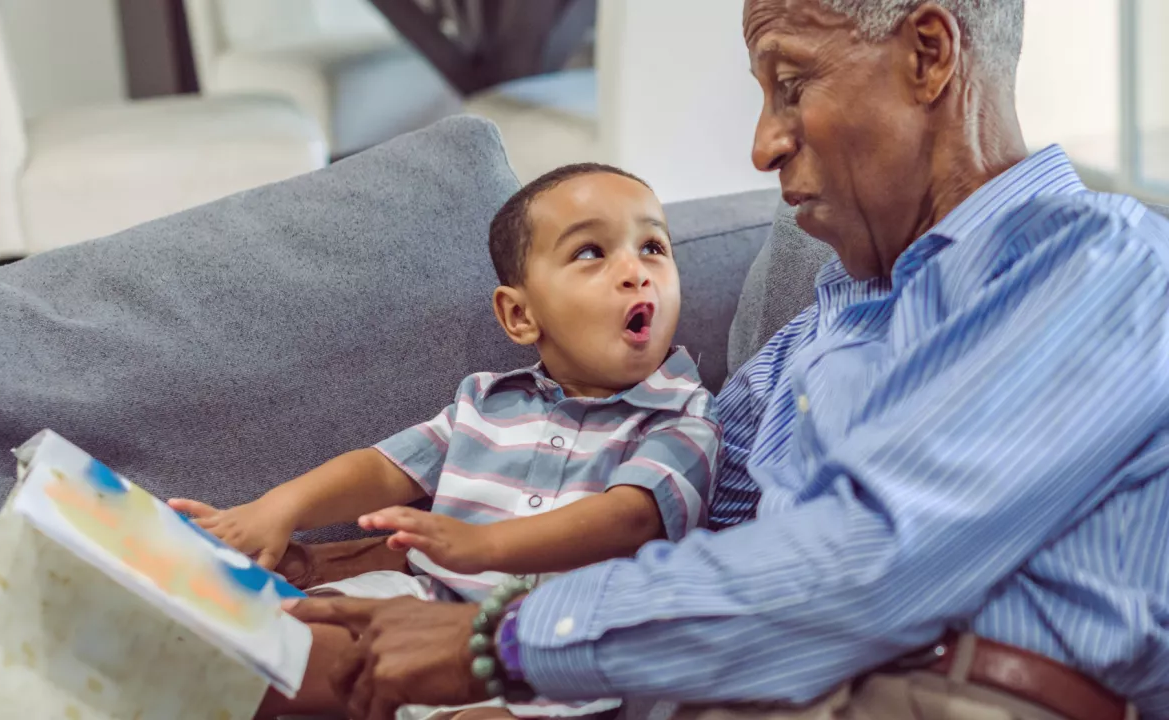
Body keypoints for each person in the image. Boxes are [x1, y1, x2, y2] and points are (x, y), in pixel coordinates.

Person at [281, 1, 1169, 719]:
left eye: (791, 83)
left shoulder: (1098, 264)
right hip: (737, 690)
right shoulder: (825, 327)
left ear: (928, 55)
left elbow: (863, 568)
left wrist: (500, 644)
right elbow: (657, 507)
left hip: (939, 695)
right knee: (277, 660)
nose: (763, 144)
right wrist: (365, 576)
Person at [169, 163, 721, 719]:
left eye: (653, 246)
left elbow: (630, 517)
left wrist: (485, 546)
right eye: (589, 253)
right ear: (520, 315)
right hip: (426, 607)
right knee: (272, 643)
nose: (635, 271)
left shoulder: (682, 416)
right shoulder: (485, 402)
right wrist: (280, 509)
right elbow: (384, 469)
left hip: (569, 656)